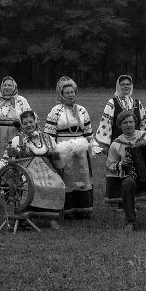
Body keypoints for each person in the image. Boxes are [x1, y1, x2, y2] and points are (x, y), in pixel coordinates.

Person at [0, 110, 66, 225]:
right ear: (22, 125)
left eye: (31, 122)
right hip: (27, 170)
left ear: (36, 122)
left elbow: (56, 155)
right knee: (29, 185)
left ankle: (53, 218)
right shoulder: (18, 140)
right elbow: (7, 158)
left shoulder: (47, 137)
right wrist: (1, 166)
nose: (29, 125)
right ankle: (26, 216)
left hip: (47, 169)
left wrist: (57, 156)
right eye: (25, 123)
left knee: (58, 184)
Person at [106, 111, 146, 231]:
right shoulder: (116, 144)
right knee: (127, 184)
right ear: (120, 125)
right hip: (133, 178)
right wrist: (121, 164)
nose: (129, 125)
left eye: (131, 122)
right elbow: (109, 165)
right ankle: (130, 221)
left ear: (135, 123)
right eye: (125, 123)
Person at [43, 76, 98, 218]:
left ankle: (82, 211)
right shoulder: (56, 111)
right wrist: (53, 151)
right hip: (63, 150)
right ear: (62, 95)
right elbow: (49, 134)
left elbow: (88, 132)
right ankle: (67, 211)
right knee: (66, 178)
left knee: (82, 178)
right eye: (67, 93)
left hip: (80, 151)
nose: (70, 95)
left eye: (72, 92)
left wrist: (93, 148)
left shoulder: (82, 110)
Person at [95, 74, 146, 205]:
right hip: (118, 143)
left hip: (136, 142)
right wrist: (105, 144)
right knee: (119, 169)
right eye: (123, 84)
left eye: (128, 84)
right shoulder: (112, 102)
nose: (126, 86)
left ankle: (137, 200)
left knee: (137, 170)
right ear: (118, 86)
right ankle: (119, 201)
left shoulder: (137, 103)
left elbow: (144, 123)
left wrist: (145, 139)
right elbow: (105, 123)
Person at [0, 76, 32, 150]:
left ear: (14, 86)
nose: (7, 87)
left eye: (9, 85)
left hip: (17, 133)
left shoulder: (21, 100)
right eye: (4, 85)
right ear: (1, 87)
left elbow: (29, 117)